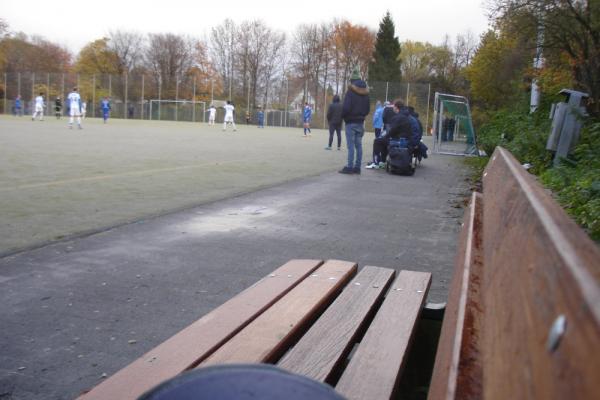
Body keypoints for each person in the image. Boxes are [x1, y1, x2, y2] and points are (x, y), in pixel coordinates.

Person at [339, 67, 370, 174]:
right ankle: (357, 167)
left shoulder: (350, 92)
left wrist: (343, 116)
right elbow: (367, 110)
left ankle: (349, 166)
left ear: (352, 81)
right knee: (359, 146)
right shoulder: (366, 93)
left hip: (350, 123)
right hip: (360, 123)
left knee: (351, 146)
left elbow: (346, 108)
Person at [366, 99, 412, 169]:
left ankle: (376, 163)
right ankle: (382, 162)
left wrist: (384, 137)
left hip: (399, 141)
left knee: (377, 141)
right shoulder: (406, 116)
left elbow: (391, 131)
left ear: (396, 107)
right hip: (405, 140)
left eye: (393, 106)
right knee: (384, 141)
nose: (392, 108)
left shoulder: (398, 117)